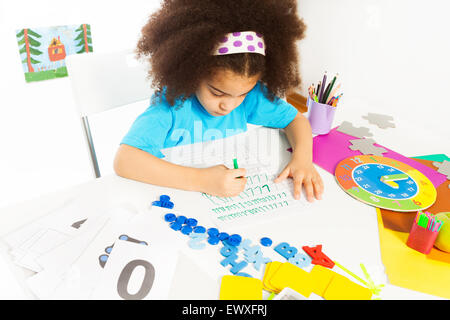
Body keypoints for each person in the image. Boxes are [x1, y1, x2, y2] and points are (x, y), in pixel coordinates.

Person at [114, 0, 323, 202]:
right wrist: (202, 180)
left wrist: (303, 160)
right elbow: (125, 160)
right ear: (193, 73)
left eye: (241, 94)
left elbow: (296, 120)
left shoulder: (251, 97)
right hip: (180, 201)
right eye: (217, 92)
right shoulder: (171, 106)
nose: (229, 105)